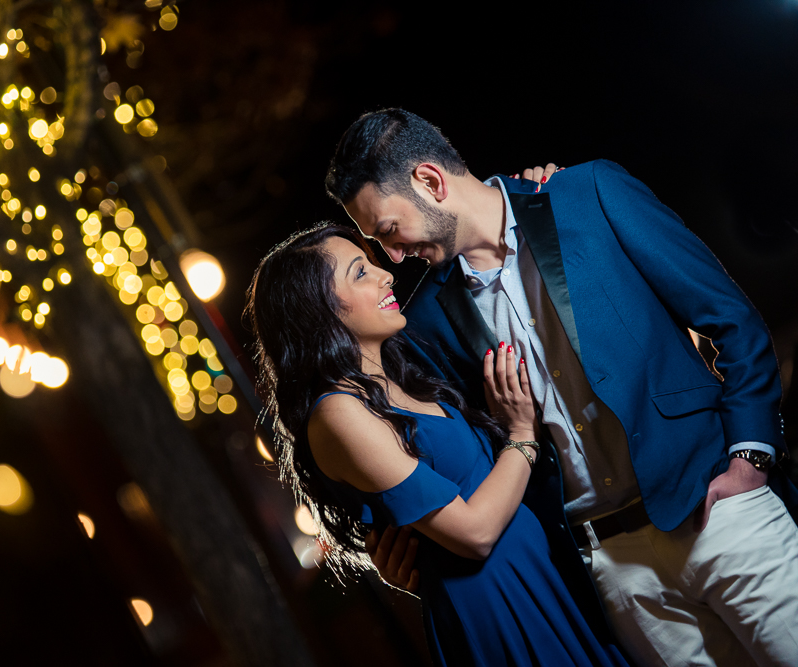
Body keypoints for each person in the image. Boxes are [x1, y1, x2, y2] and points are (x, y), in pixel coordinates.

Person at [324, 108, 798, 667]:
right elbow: (463, 457)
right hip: (612, 571)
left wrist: (749, 457)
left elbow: (731, 321)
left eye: (388, 230)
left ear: (430, 181)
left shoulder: (587, 193)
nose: (394, 256)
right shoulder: (426, 319)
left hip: (716, 507)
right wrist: (415, 551)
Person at [245, 223, 631, 666]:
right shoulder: (337, 413)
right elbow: (475, 534)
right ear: (317, 311)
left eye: (372, 264)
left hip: (539, 577)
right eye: (360, 273)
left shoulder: (399, 374)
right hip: (496, 605)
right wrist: (523, 437)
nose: (384, 275)